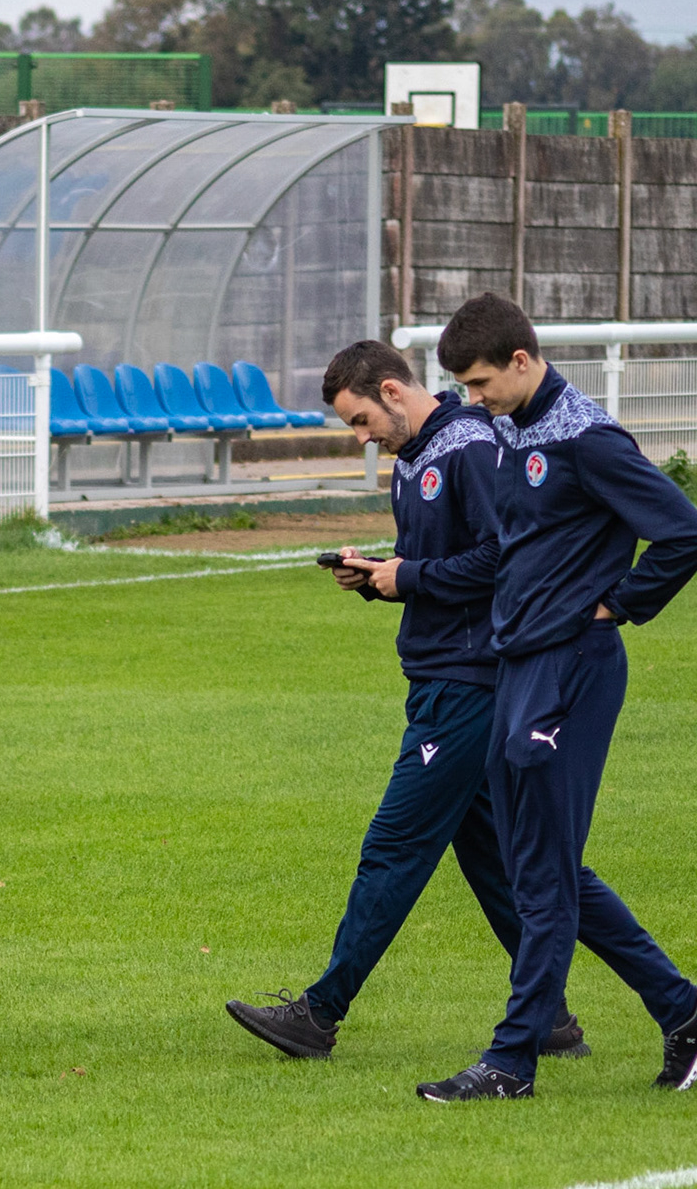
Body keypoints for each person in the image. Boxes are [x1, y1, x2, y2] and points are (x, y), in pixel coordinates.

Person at [225, 340, 588, 1061]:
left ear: (392, 391)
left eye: (361, 420)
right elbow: (434, 556)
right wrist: (380, 573)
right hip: (439, 678)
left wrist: (411, 576)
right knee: (493, 858)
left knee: (393, 846)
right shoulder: (416, 458)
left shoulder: (468, 448)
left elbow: (504, 556)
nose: (361, 437)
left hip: (468, 683)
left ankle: (319, 1013)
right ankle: (550, 1019)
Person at [416, 293, 697, 1102]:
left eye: (479, 383)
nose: (471, 400)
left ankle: (511, 1061)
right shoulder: (506, 426)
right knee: (542, 863)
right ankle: (684, 1010)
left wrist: (618, 602)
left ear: (522, 361)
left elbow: (682, 529)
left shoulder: (588, 436)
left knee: (539, 873)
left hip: (572, 668)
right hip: (518, 666)